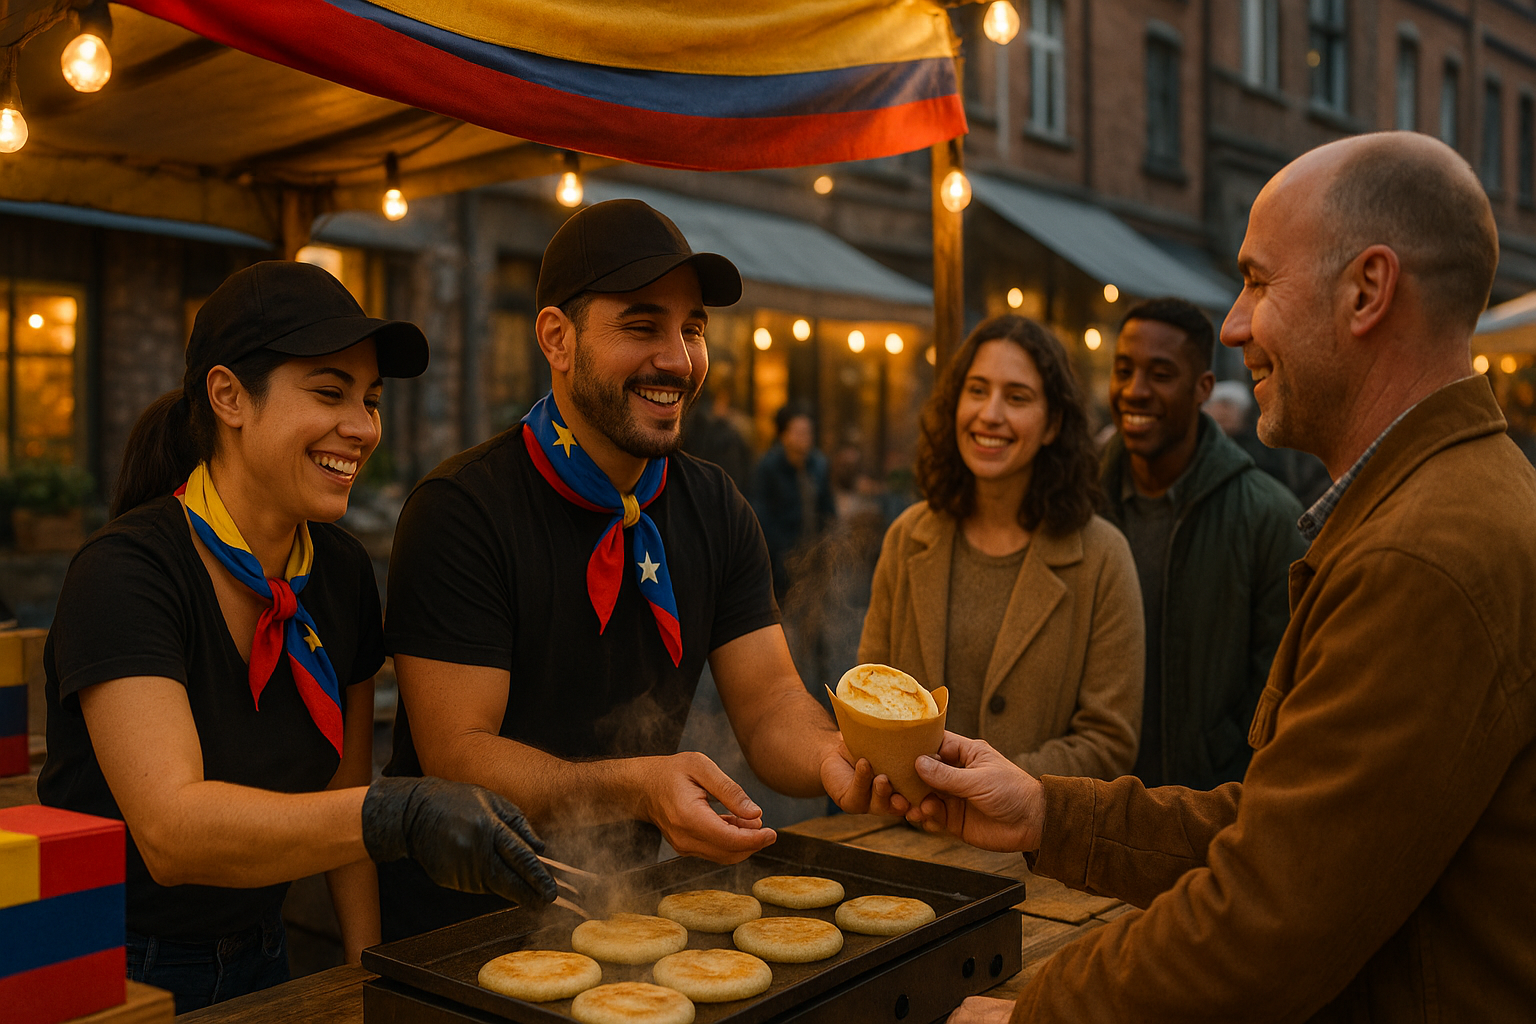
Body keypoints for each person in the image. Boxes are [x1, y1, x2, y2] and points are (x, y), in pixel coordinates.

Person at [910, 132, 1536, 1022]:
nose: (1235, 324)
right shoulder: (1435, 507)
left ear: (1368, 290)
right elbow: (1290, 829)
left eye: (1257, 281)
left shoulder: (1424, 553)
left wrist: (1040, 1014)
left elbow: (1270, 915)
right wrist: (1047, 812)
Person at [37, 262, 556, 1013]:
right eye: (329, 392)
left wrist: (366, 976)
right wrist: (398, 813)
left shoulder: (338, 572)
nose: (363, 427)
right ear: (228, 396)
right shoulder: (125, 573)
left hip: (267, 950)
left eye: (371, 399)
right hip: (114, 967)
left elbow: (342, 795)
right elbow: (171, 832)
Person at [378, 200, 884, 939]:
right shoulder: (460, 509)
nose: (677, 359)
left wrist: (841, 759)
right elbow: (458, 755)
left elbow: (772, 701)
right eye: (642, 326)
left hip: (631, 913)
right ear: (557, 337)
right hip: (457, 930)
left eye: (693, 329)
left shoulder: (716, 504)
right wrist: (637, 788)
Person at [860, 315, 1142, 780]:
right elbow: (866, 703)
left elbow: (1109, 744)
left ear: (1053, 424)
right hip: (903, 835)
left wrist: (989, 785)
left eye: (1017, 397)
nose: (990, 413)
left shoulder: (1103, 557)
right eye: (976, 390)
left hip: (1031, 849)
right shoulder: (908, 536)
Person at [1103, 298, 1306, 788]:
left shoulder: (1268, 518)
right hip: (1077, 803)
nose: (1136, 391)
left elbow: (1279, 699)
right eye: (1124, 370)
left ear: (1203, 388)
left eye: (1161, 374)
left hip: (1200, 813)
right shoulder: (1075, 498)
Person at [750, 403, 837, 601]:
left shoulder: (819, 465)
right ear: (784, 435)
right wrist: (783, 556)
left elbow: (828, 509)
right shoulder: (768, 467)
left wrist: (829, 544)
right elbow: (761, 516)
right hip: (781, 562)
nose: (804, 438)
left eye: (808, 432)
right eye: (798, 432)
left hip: (815, 558)